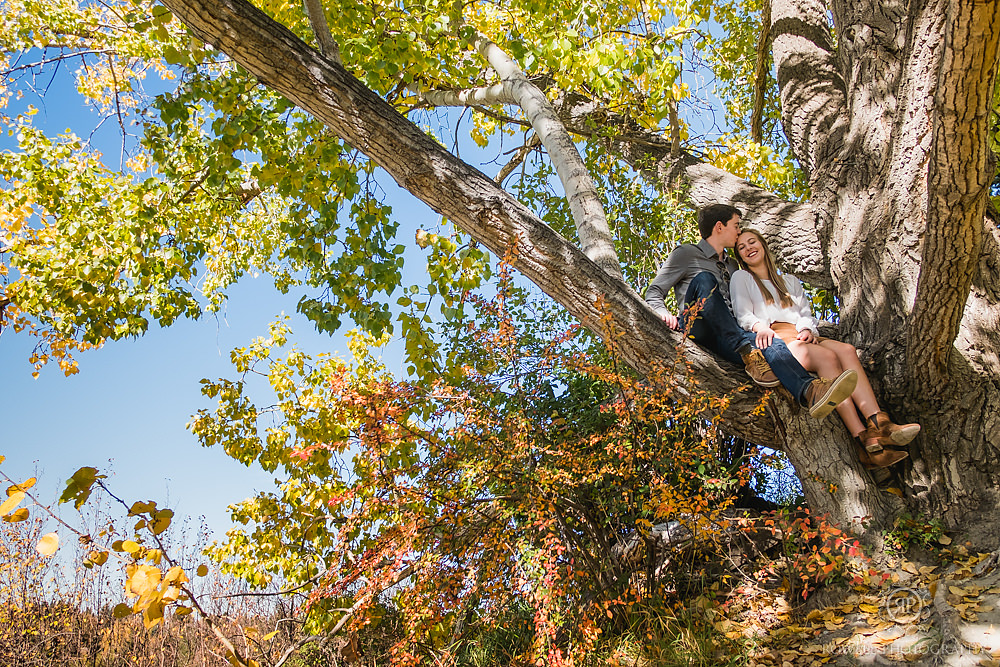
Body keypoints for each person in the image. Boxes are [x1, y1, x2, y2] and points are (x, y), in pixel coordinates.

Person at [645, 204, 857, 420]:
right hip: (698, 324)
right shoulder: (687, 253)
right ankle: (747, 350)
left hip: (728, 334)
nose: (738, 231)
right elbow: (653, 291)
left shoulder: (732, 266)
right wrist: (662, 312)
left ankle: (810, 391)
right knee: (704, 279)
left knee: (771, 341)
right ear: (719, 227)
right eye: (736, 226)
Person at [731, 228, 918, 470]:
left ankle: (879, 423)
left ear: (763, 244)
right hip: (775, 340)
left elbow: (805, 314)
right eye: (742, 247)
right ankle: (862, 440)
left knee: (847, 351)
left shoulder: (789, 281)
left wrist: (808, 329)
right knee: (827, 358)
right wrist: (759, 327)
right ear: (739, 256)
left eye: (752, 242)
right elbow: (742, 313)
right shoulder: (742, 278)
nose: (748, 248)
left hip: (801, 335)